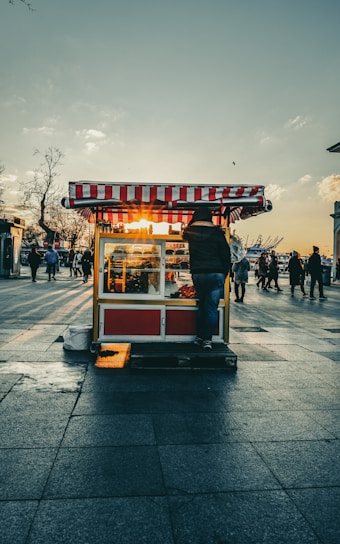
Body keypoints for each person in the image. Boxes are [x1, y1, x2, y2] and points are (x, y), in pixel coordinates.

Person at [183, 208, 231, 350]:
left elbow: (183, 234)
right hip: (216, 273)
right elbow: (226, 255)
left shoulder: (190, 233)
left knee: (201, 306)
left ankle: (199, 337)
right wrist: (224, 273)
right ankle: (207, 340)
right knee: (211, 307)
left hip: (198, 273)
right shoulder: (217, 233)